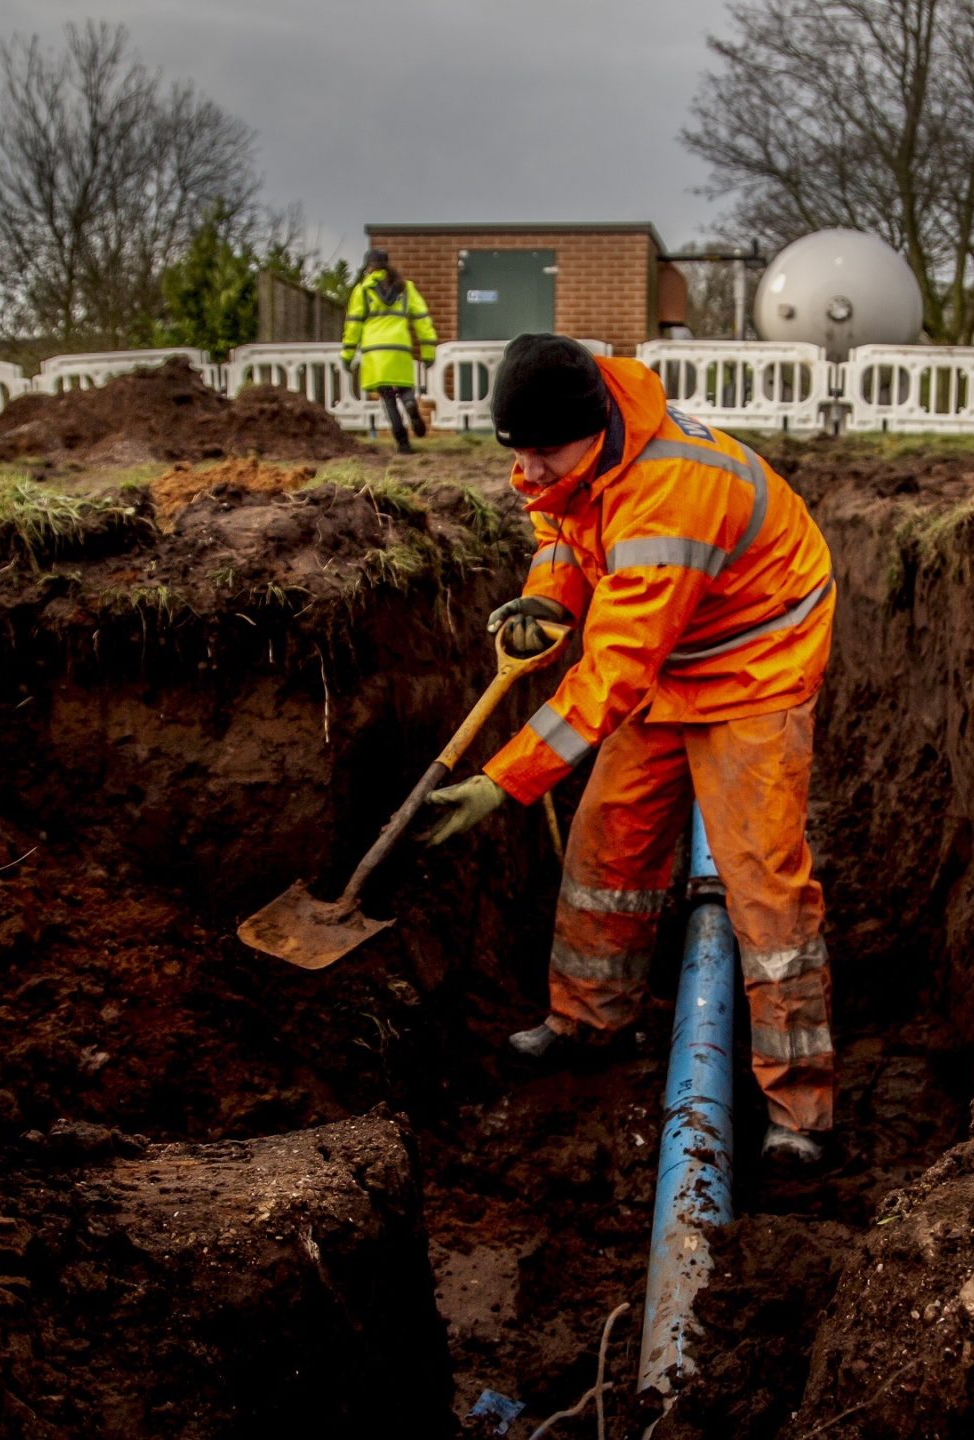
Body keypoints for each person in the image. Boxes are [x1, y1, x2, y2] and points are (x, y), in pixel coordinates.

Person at [418, 334, 839, 1165]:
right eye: (519, 454)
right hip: (669, 655)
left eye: (542, 453)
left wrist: (503, 783)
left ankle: (799, 1109)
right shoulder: (586, 454)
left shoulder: (672, 489)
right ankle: (587, 1023)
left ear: (591, 428)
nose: (530, 474)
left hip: (755, 662)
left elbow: (612, 672)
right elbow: (564, 533)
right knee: (609, 845)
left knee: (761, 884)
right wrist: (547, 599)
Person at [340, 249, 437, 454]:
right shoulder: (405, 288)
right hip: (399, 347)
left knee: (388, 399)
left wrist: (348, 353)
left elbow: (354, 324)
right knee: (404, 389)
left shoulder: (362, 290)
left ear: (368, 267)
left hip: (375, 351)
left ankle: (403, 443)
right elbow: (422, 320)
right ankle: (410, 403)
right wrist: (428, 351)